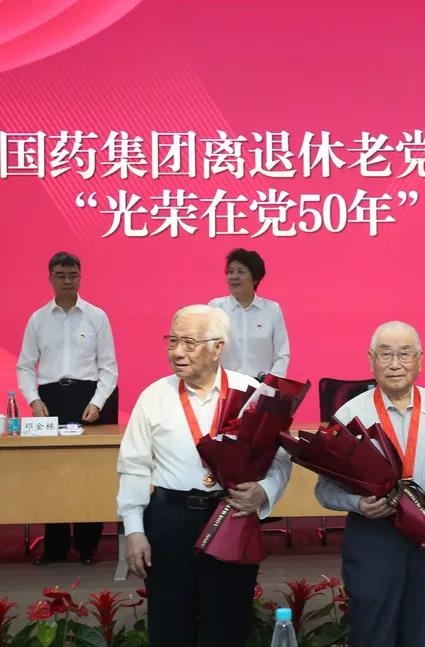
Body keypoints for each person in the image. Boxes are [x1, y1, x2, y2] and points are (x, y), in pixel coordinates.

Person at [117, 305, 292, 647]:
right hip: (169, 521)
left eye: (189, 343)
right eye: (172, 341)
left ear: (217, 347)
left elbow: (280, 459)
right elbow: (134, 466)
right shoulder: (154, 396)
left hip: (231, 516)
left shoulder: (251, 394)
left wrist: (264, 490)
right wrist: (134, 530)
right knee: (169, 627)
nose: (177, 352)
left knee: (228, 626)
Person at [316, 321, 425, 647]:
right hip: (373, 533)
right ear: (371, 360)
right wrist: (356, 504)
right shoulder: (350, 414)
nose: (394, 364)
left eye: (404, 354)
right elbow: (325, 488)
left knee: (423, 629)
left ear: (419, 360)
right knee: (372, 629)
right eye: (385, 354)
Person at [17, 251, 118, 565]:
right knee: (53, 472)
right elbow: (25, 366)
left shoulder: (96, 317)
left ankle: (88, 546)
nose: (67, 281)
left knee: (89, 472)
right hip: (50, 399)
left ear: (80, 277)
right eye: (61, 275)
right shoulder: (38, 319)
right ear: (50, 278)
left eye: (73, 275)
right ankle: (55, 547)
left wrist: (96, 403)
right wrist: (33, 399)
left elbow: (109, 368)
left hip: (88, 397)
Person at [208, 248, 290, 379]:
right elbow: (207, 350)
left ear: (255, 278)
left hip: (262, 385)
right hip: (226, 385)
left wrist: (270, 384)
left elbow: (282, 354)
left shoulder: (272, 310)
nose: (234, 276)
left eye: (240, 271)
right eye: (230, 271)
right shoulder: (216, 307)